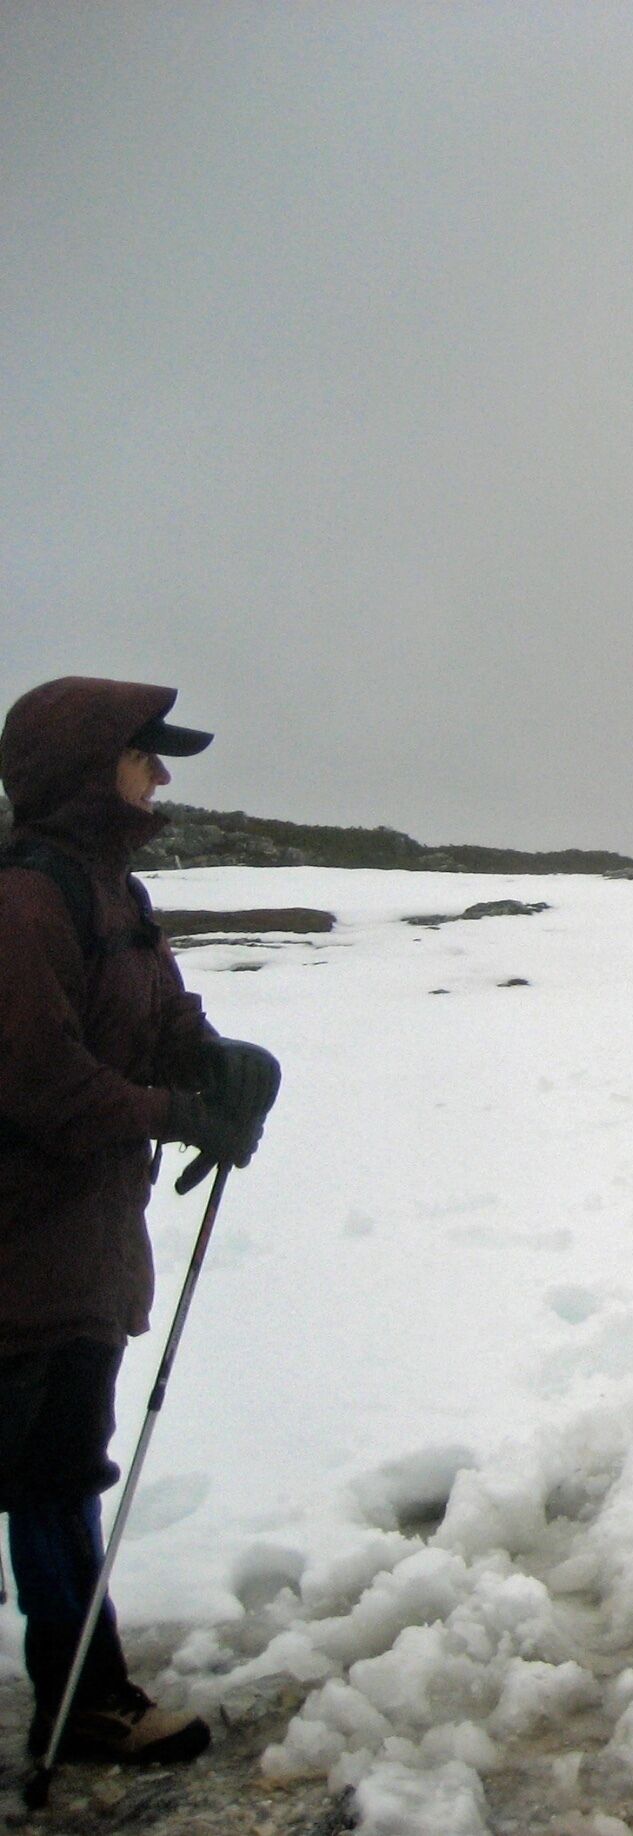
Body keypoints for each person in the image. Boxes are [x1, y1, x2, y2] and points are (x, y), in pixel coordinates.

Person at [0, 677, 281, 1769]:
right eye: (143, 756)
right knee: (49, 1476)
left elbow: (154, 1018)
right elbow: (40, 1080)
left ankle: (85, 1693)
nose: (161, 776)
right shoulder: (29, 905)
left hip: (79, 1239)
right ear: (87, 769)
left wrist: (214, 1058)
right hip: (23, 1244)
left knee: (58, 1466)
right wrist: (173, 1111)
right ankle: (86, 1700)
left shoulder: (111, 893)